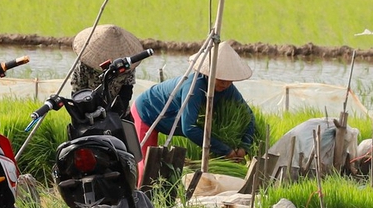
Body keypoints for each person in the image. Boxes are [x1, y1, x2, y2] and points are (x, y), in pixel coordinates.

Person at [130, 41, 259, 179]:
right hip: (147, 112)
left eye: (229, 80)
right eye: (221, 78)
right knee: (146, 166)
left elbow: (249, 117)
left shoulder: (228, 89)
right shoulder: (194, 87)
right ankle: (140, 198)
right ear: (209, 73)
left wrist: (244, 147)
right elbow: (189, 128)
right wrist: (225, 150)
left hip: (170, 119)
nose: (225, 84)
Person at [67, 24, 143, 118]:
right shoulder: (85, 64)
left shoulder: (126, 64)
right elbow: (78, 90)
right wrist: (87, 110)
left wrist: (116, 112)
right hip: (89, 109)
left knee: (125, 129)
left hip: (118, 110)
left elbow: (127, 89)